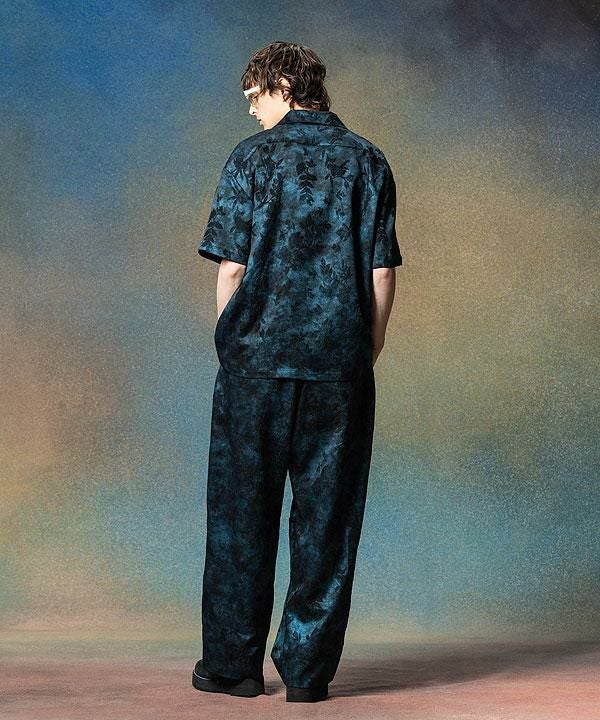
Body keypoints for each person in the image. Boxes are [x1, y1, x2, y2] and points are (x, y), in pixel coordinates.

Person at [191, 41, 402, 703]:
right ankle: (308, 675)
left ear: (283, 84)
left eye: (255, 96)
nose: (252, 111)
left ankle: (232, 667)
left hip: (253, 369)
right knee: (328, 526)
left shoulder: (251, 158)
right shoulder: (368, 161)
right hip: (338, 368)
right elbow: (382, 272)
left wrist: (234, 342)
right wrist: (366, 348)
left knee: (239, 519)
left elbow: (232, 266)